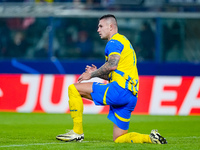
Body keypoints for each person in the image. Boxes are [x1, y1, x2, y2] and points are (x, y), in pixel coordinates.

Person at [56, 14, 167, 144]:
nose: (98, 29)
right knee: (119, 138)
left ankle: (77, 132)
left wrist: (90, 75)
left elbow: (112, 64)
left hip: (119, 90)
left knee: (73, 88)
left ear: (111, 27)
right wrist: (96, 73)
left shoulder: (114, 42)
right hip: (131, 96)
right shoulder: (124, 41)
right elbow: (114, 71)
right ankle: (150, 138)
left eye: (101, 26)